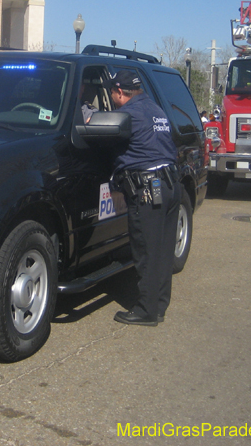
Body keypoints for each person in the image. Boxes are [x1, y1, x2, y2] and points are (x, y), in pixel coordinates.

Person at [105, 70, 180, 326]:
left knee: (146, 249)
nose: (112, 98)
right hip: (168, 184)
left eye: (112, 93)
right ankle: (159, 306)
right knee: (162, 249)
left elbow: (101, 134)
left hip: (148, 187)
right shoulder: (155, 109)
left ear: (120, 92)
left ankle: (146, 310)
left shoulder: (127, 114)